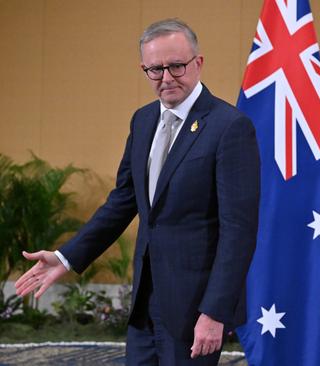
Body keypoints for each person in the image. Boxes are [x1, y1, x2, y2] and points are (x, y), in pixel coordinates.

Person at [15, 18, 260, 365]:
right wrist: (66, 257)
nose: (166, 77)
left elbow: (239, 230)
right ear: (143, 69)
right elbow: (122, 202)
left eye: (176, 66)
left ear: (198, 63)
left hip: (194, 308)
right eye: (155, 69)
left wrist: (215, 312)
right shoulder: (142, 120)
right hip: (145, 302)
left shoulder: (229, 127)